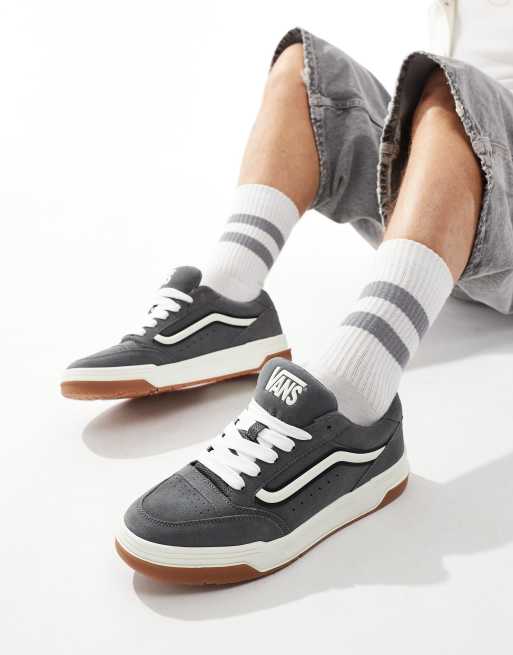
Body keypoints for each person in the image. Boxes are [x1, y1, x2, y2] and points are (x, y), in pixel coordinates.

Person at [63, 1, 513, 584]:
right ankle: (229, 300)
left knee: (450, 99)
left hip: (475, 146)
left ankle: (353, 407)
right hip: (451, 205)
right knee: (307, 68)